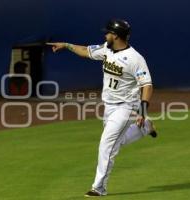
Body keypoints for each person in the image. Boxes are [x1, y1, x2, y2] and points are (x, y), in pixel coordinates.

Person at [47, 19, 157, 197]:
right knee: (116, 142)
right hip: (109, 106)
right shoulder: (106, 49)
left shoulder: (135, 59)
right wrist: (66, 45)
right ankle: (144, 128)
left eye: (107, 32)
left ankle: (99, 188)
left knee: (106, 145)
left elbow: (147, 85)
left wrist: (143, 110)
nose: (105, 35)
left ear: (115, 35)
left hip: (127, 106)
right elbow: (85, 51)